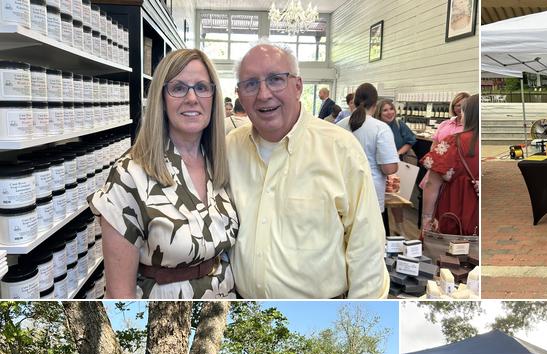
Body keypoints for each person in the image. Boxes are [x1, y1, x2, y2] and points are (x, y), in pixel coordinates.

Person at [226, 44, 389, 298]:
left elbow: (367, 248)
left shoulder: (339, 148)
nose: (263, 94)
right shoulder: (230, 147)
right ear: (239, 93)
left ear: (298, 86)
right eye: (250, 84)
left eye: (276, 80)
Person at [91, 48, 238, 298]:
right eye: (179, 88)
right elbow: (118, 293)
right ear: (161, 97)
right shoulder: (129, 175)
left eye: (202, 87)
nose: (192, 98)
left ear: (214, 96)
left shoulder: (221, 164)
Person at [338, 83, 399, 236]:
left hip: (342, 189)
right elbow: (389, 168)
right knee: (369, 242)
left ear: (355, 101)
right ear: (375, 103)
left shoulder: (339, 125)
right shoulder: (380, 128)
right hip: (370, 192)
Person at [421, 94, 479, 236]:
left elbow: (431, 184)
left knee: (448, 250)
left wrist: (427, 218)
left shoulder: (453, 142)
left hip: (455, 205)